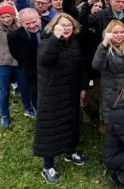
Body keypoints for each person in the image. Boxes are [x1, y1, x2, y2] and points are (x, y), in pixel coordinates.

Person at [34, 13, 88, 184]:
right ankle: (47, 165)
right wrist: (56, 38)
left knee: (70, 123)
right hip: (52, 94)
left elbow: (80, 65)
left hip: (70, 90)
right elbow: (45, 60)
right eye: (62, 25)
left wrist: (83, 87)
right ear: (54, 27)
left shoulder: (73, 42)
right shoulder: (46, 41)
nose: (66, 28)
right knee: (51, 128)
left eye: (69, 25)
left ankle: (69, 152)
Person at [92, 20, 124, 134]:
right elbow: (96, 65)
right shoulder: (105, 48)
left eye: (121, 32)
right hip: (112, 88)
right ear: (109, 34)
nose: (119, 35)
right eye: (115, 32)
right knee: (111, 112)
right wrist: (104, 44)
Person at [0, 4, 35, 127]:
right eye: (2, 17)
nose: (6, 19)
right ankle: (4, 115)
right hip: (4, 63)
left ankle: (28, 108)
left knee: (24, 87)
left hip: (19, 62)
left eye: (8, 16)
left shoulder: (20, 28)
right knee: (3, 91)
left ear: (13, 16)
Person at [7, 8, 47, 111]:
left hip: (53, 71)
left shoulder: (50, 28)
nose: (32, 26)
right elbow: (15, 54)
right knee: (37, 100)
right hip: (32, 73)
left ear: (39, 18)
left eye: (34, 22)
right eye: (27, 24)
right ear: (20, 23)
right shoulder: (13, 36)